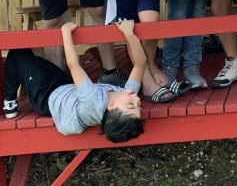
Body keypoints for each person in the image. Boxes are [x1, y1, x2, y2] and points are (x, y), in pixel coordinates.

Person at [3, 19, 145, 143]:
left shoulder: (94, 100)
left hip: (46, 97)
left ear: (111, 106)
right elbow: (140, 64)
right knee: (36, 62)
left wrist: (66, 32)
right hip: (65, 88)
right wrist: (129, 34)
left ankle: (9, 101)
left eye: (131, 105)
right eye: (138, 106)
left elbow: (73, 65)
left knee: (19, 53)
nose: (137, 100)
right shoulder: (126, 94)